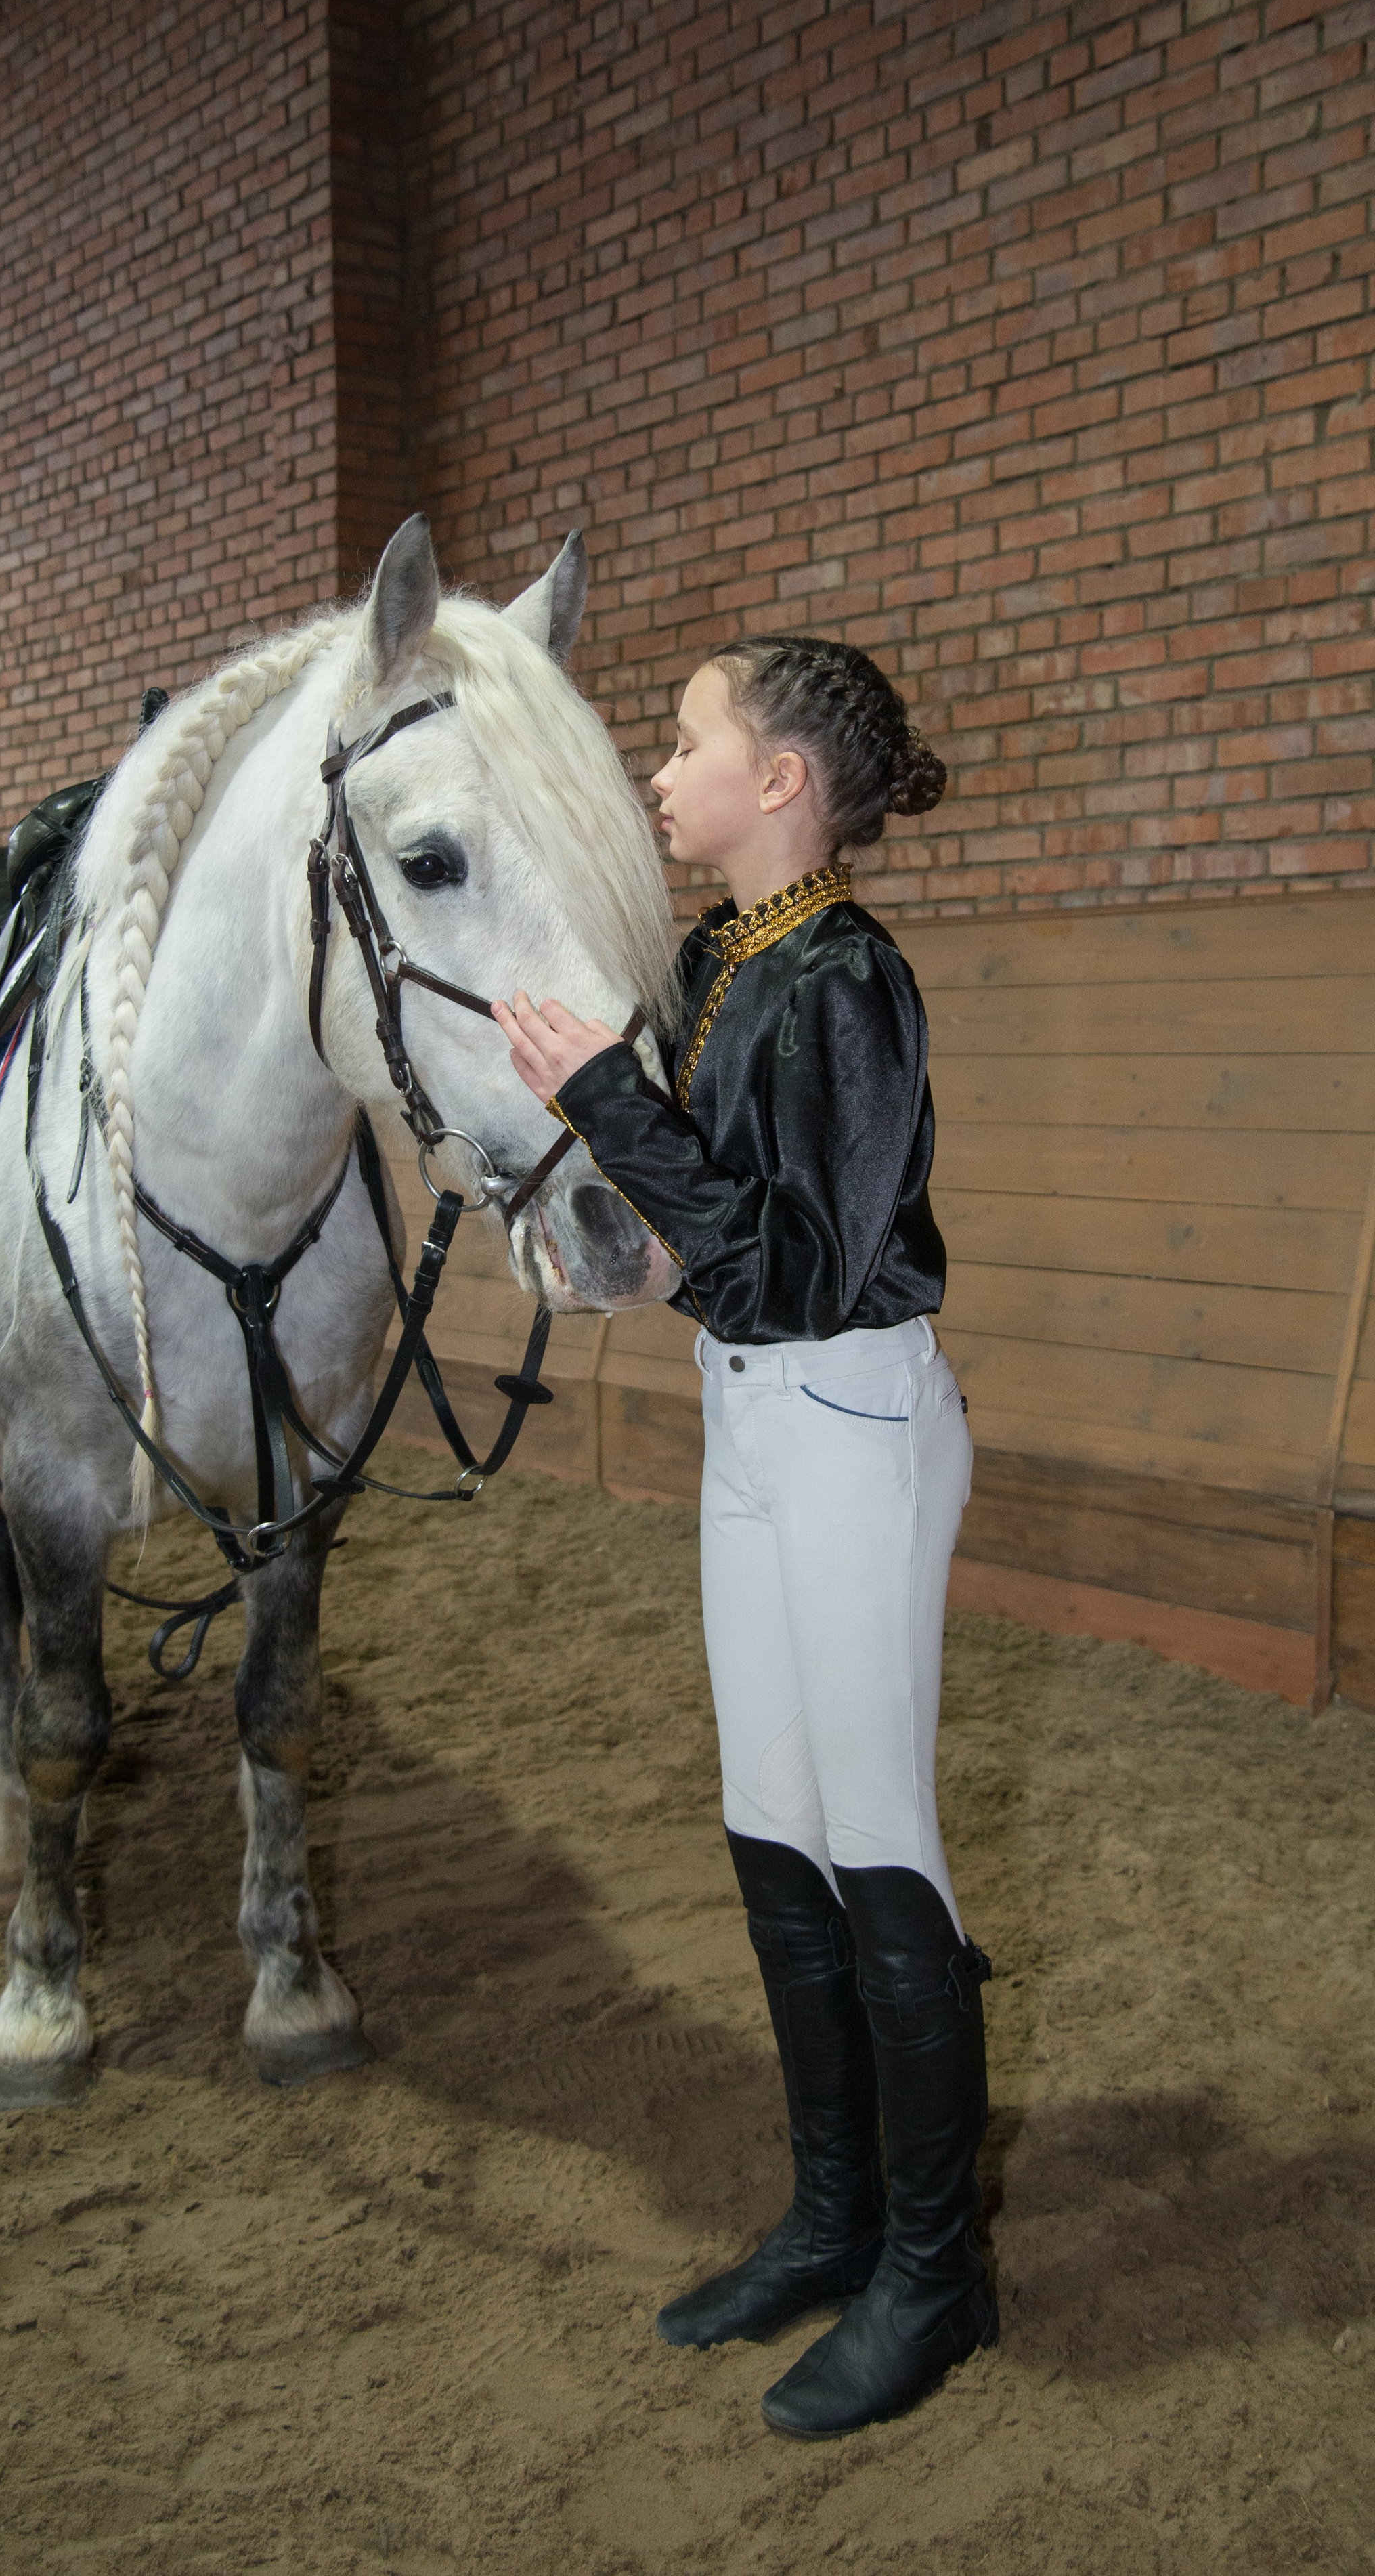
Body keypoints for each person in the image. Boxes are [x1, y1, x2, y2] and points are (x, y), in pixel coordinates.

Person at [492, 637, 995, 2441]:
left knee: (878, 1847)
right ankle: (837, 2215)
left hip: (853, 1420)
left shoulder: (850, 981)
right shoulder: (718, 961)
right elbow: (719, 1243)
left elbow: (791, 1263)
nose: (661, 766)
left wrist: (610, 1107)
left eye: (688, 740)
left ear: (778, 782)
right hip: (754, 1419)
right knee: (772, 1832)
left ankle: (939, 2274)